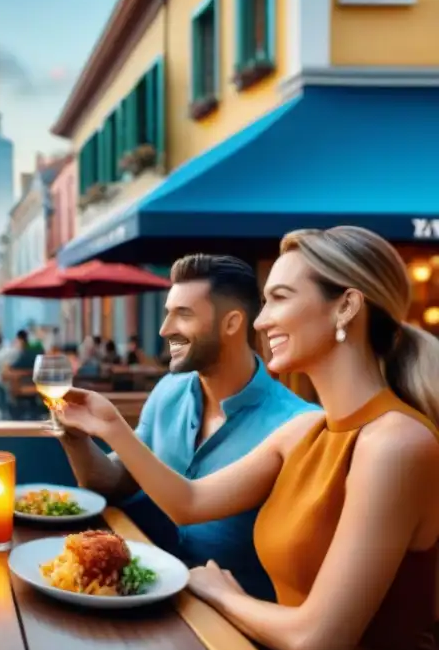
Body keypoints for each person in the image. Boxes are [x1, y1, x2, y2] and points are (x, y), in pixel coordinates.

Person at [59, 228, 439, 650]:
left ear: (346, 307)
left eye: (279, 297)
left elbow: (318, 640)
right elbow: (189, 501)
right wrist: (110, 425)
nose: (259, 321)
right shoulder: (308, 431)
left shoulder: (396, 444)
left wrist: (219, 593)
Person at [58, 254, 316, 601]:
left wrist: (110, 424)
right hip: (145, 593)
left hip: (232, 624)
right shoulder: (169, 390)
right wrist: (75, 438)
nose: (165, 329)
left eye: (183, 314)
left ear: (231, 323)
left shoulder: (295, 424)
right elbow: (117, 481)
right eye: (167, 312)